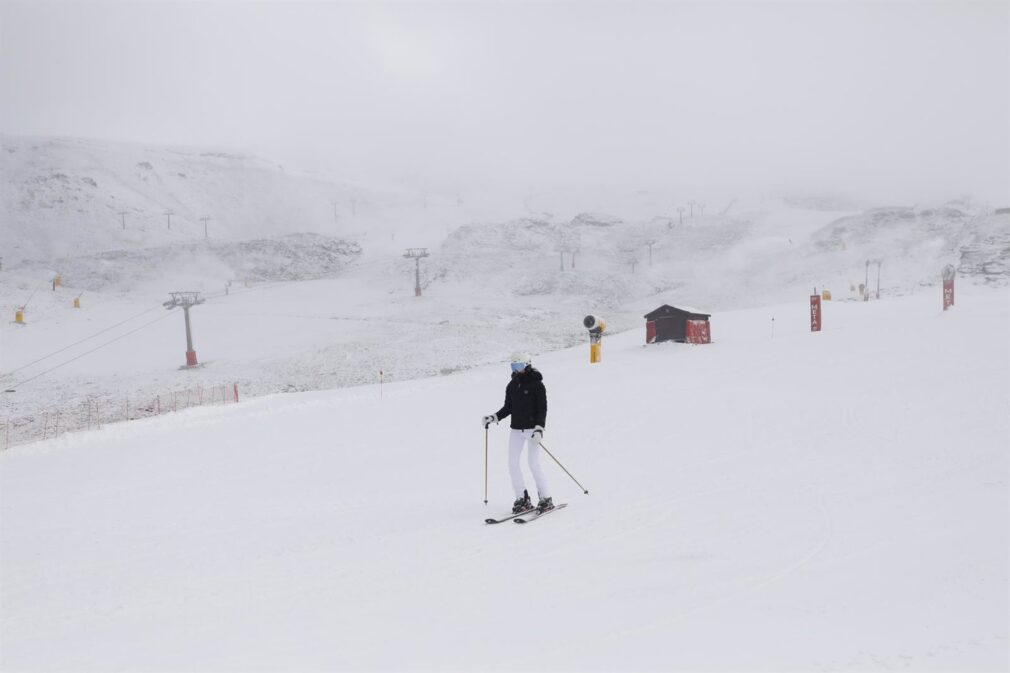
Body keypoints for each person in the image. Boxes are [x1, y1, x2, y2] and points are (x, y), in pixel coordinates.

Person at [482, 352, 553, 514]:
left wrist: (539, 428)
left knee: (533, 464)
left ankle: (546, 498)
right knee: (512, 463)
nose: (516, 369)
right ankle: (522, 498)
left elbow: (542, 409)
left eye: (518, 366)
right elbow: (508, 408)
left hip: (532, 430)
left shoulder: (537, 385)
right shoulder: (512, 385)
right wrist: (494, 417)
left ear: (527, 364)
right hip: (516, 430)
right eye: (513, 366)